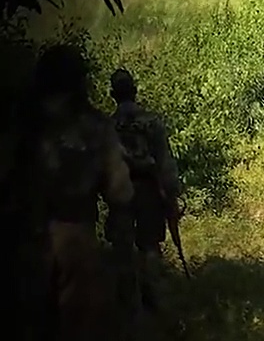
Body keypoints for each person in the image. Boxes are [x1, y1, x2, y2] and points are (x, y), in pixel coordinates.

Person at [26, 45, 136, 339]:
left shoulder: (22, 123)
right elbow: (121, 190)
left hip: (20, 239)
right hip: (74, 238)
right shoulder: (94, 126)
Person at [109, 69, 181, 321]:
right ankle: (153, 299)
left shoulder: (108, 126)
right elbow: (164, 161)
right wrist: (171, 195)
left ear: (112, 94)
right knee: (149, 245)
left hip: (119, 191)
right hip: (149, 190)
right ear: (135, 90)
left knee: (123, 248)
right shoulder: (151, 121)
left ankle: (129, 304)